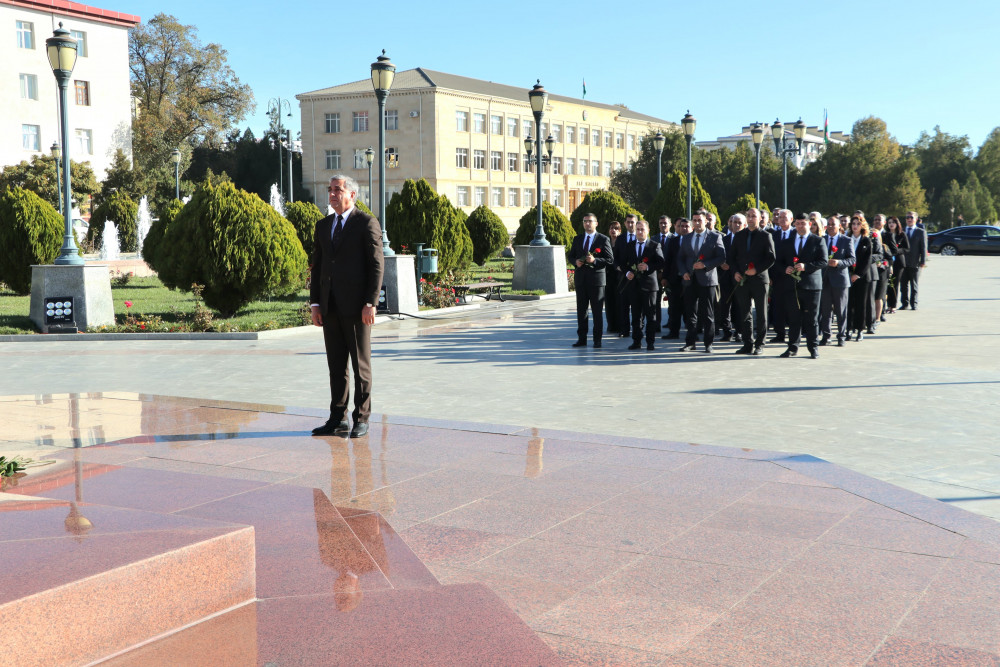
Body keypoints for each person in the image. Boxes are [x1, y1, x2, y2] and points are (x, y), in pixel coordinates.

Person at [310, 175, 385, 438]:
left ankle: (361, 418)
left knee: (360, 365)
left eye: (337, 190)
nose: (332, 194)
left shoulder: (366, 223)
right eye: (329, 189)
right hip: (329, 308)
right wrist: (316, 303)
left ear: (352, 195)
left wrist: (370, 303)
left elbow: (377, 265)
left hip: (357, 308)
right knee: (336, 366)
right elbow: (317, 267)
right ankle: (337, 418)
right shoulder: (323, 225)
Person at [777, 212, 827, 359]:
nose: (800, 226)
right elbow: (778, 262)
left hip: (812, 286)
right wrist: (784, 269)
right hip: (792, 286)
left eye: (803, 223)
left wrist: (806, 266)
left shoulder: (817, 241)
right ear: (794, 224)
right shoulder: (787, 241)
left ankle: (813, 348)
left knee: (811, 319)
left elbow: (823, 261)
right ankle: (792, 348)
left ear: (809, 224)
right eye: (798, 223)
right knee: (794, 319)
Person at [678, 209, 726, 353]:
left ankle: (708, 343)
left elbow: (721, 257)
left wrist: (705, 265)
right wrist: (684, 272)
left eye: (700, 220)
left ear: (706, 221)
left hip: (707, 280)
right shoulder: (686, 237)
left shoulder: (715, 237)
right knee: (690, 313)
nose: (697, 222)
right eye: (695, 220)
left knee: (708, 313)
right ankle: (690, 343)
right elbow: (680, 258)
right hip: (690, 280)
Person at [729, 209, 775, 355]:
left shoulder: (765, 235)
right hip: (742, 279)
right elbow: (732, 257)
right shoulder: (739, 235)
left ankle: (760, 344)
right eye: (748, 216)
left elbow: (771, 258)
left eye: (753, 216)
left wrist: (757, 270)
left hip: (759, 279)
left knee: (761, 313)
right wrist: (735, 272)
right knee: (744, 312)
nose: (750, 218)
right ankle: (747, 343)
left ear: (760, 218)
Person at [568, 213, 613, 348]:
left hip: (596, 281)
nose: (587, 223)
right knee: (581, 311)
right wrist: (575, 262)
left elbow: (610, 260)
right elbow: (571, 256)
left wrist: (595, 261)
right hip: (581, 280)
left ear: (596, 223)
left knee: (597, 311)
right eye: (585, 221)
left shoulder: (603, 239)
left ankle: (597, 340)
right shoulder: (578, 238)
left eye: (590, 221)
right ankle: (582, 339)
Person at [619, 220, 664, 350]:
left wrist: (648, 266)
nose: (639, 232)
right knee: (636, 315)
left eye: (642, 229)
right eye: (637, 229)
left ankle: (650, 342)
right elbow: (622, 263)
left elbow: (661, 262)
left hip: (649, 286)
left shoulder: (655, 245)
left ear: (648, 230)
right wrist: (627, 272)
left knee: (650, 315)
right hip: (633, 286)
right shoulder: (629, 245)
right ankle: (636, 341)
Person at [819, 216, 856, 346]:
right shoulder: (822, 240)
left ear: (839, 226)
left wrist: (839, 262)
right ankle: (826, 336)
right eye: (828, 224)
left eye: (833, 224)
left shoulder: (846, 240)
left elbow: (852, 259)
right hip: (824, 280)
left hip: (840, 280)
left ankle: (841, 335)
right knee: (825, 310)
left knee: (841, 310)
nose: (830, 226)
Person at [846, 214, 874, 341]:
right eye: (853, 224)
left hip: (862, 278)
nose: (855, 226)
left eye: (858, 224)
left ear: (862, 226)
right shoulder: (846, 239)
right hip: (848, 276)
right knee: (849, 303)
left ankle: (859, 329)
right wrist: (850, 273)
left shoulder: (866, 240)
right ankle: (849, 328)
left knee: (861, 304)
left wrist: (858, 274)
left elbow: (867, 260)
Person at [769, 209, 794, 343]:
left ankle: (794, 333)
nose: (782, 219)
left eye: (785, 217)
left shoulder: (796, 233)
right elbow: (769, 257)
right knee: (777, 306)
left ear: (791, 219)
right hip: (777, 276)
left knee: (792, 306)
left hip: (793, 276)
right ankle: (779, 334)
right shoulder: (773, 234)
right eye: (780, 217)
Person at [718, 214, 744, 342]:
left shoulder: (747, 240)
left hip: (740, 277)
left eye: (739, 222)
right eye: (734, 222)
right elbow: (717, 255)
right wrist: (721, 263)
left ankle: (739, 331)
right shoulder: (724, 239)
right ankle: (727, 331)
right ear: (730, 224)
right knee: (725, 305)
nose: (737, 225)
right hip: (725, 277)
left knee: (739, 305)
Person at [661, 218, 689, 340]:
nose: (684, 228)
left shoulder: (694, 240)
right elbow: (668, 261)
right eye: (681, 226)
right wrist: (665, 277)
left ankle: (692, 333)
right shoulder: (673, 241)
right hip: (674, 279)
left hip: (690, 279)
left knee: (690, 307)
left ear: (691, 228)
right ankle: (673, 332)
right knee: (674, 307)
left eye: (686, 226)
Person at [614, 214, 639, 336]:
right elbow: (615, 257)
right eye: (628, 222)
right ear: (625, 223)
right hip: (623, 276)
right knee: (623, 304)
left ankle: (638, 328)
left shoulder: (641, 236)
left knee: (637, 305)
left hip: (638, 276)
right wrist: (619, 268)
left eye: (632, 222)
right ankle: (624, 330)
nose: (630, 224)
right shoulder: (621, 238)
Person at [900, 211, 927, 310]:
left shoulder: (920, 232)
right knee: (903, 285)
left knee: (914, 285)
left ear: (916, 219)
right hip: (903, 263)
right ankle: (904, 303)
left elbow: (923, 247)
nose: (909, 219)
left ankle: (914, 303)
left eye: (911, 217)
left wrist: (923, 261)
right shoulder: (902, 231)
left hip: (915, 262)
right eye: (907, 217)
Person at [885, 216, 909, 313]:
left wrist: (896, 251)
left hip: (899, 262)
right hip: (888, 261)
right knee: (888, 284)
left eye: (893, 222)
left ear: (897, 224)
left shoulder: (902, 234)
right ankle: (888, 305)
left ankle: (893, 305)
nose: (891, 224)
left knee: (894, 284)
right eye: (889, 222)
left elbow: (907, 248)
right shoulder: (885, 234)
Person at [653, 216, 673, 332]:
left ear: (670, 225)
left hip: (670, 275)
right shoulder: (654, 238)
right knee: (656, 301)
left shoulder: (674, 238)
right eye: (661, 223)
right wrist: (659, 272)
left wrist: (666, 274)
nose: (663, 225)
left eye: (665, 223)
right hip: (657, 275)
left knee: (672, 301)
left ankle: (672, 324)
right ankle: (656, 325)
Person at [871, 214, 891, 325]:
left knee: (879, 296)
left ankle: (878, 317)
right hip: (872, 273)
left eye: (875, 236)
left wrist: (883, 264)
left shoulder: (884, 247)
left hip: (882, 272)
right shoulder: (870, 246)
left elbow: (889, 260)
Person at [605, 221, 622, 333]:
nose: (613, 230)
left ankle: (620, 325)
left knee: (619, 301)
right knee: (609, 301)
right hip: (607, 275)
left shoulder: (622, 242)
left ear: (620, 231)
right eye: (611, 228)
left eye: (616, 228)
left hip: (619, 275)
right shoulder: (606, 241)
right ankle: (611, 325)